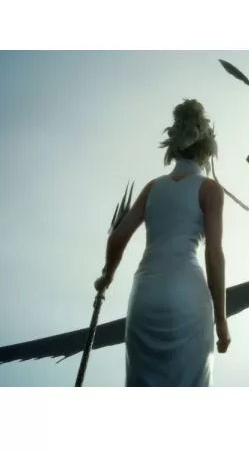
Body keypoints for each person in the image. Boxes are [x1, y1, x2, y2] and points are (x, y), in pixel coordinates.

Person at [93, 99, 231, 386]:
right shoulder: (210, 189)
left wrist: (106, 277)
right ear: (207, 150)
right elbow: (214, 254)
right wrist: (221, 320)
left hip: (146, 296)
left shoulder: (153, 187)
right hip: (188, 297)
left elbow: (118, 237)